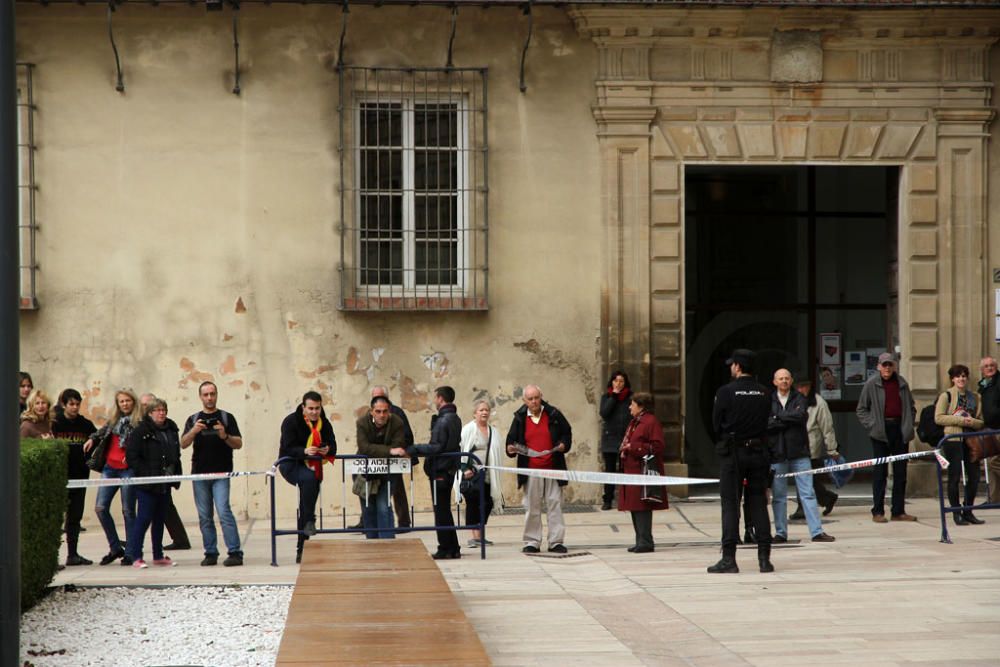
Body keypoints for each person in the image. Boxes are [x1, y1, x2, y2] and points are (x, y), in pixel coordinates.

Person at [709, 349, 774, 574]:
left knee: (730, 504)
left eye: (732, 365)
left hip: (734, 453)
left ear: (737, 366)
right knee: (758, 503)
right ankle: (764, 559)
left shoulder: (726, 392)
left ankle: (729, 558)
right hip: (758, 452)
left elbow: (716, 424)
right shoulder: (765, 392)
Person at [767, 369, 835, 544]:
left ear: (791, 381)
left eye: (787, 378)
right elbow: (767, 422)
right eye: (780, 379)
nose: (784, 381)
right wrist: (782, 419)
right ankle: (781, 533)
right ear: (774, 382)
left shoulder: (799, 398)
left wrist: (778, 417)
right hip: (777, 453)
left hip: (800, 452)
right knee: (779, 496)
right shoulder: (769, 399)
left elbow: (800, 416)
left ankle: (817, 532)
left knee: (808, 493)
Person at [181, 381, 245, 566]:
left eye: (212, 394)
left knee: (224, 511)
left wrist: (224, 435)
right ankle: (210, 552)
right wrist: (194, 430)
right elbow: (183, 444)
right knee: (204, 516)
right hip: (200, 475)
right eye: (206, 394)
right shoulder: (193, 419)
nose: (209, 398)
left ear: (217, 395)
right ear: (200, 397)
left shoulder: (226, 417)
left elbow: (238, 444)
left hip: (222, 473)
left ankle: (235, 552)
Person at [505, 384, 573, 554]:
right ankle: (532, 541)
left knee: (554, 504)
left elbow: (567, 432)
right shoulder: (520, 417)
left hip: (553, 467)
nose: (534, 401)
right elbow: (511, 439)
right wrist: (510, 449)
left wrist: (564, 444)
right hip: (531, 470)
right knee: (531, 507)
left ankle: (556, 541)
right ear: (524, 400)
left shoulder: (553, 414)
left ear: (541, 396)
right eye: (530, 399)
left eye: (536, 397)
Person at [856, 352, 917, 523]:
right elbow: (861, 409)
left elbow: (911, 407)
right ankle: (878, 511)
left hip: (900, 430)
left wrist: (908, 423)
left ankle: (898, 511)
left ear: (894, 366)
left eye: (890, 365)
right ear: (878, 366)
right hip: (880, 431)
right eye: (884, 365)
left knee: (900, 473)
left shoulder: (902, 383)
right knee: (880, 473)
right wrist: (872, 424)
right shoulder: (871, 384)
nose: (887, 368)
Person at [279, 390, 337, 564]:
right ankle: (309, 521)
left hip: (314, 467)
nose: (314, 412)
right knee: (309, 482)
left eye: (317, 409)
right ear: (303, 407)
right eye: (310, 408)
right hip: (291, 464)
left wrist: (327, 449)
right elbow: (287, 447)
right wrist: (304, 451)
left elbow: (333, 444)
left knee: (307, 498)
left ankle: (303, 544)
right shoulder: (290, 421)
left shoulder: (324, 423)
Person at [86, 388, 142, 566]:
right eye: (121, 401)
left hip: (128, 470)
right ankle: (115, 547)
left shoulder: (140, 422)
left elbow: (144, 445)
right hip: (110, 468)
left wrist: (133, 456)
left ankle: (132, 552)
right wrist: (91, 440)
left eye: (128, 401)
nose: (125, 404)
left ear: (133, 402)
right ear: (118, 404)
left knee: (128, 511)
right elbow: (100, 433)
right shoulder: (113, 420)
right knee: (101, 508)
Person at [406, 386, 462, 559]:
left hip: (440, 468)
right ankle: (453, 547)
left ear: (440, 398)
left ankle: (445, 547)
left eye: (435, 398)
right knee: (445, 509)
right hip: (448, 468)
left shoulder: (443, 420)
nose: (434, 401)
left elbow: (436, 446)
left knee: (441, 510)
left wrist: (413, 449)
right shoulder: (455, 418)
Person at [125, 398, 182, 568]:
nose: (161, 413)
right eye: (157, 410)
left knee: (160, 518)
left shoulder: (171, 429)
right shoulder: (140, 431)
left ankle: (158, 555)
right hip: (147, 484)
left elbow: (175, 452)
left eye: (163, 409)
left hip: (164, 482)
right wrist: (146, 473)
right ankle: (136, 556)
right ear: (150, 413)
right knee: (143, 519)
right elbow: (132, 457)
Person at [617, 392, 668, 553]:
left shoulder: (650, 422)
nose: (629, 407)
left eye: (632, 404)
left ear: (641, 406)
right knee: (634, 506)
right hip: (632, 470)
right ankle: (640, 540)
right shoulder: (636, 422)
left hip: (642, 470)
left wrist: (633, 448)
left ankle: (646, 541)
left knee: (642, 507)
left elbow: (658, 446)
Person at [140, 392, 191, 552]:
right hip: (146, 473)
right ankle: (179, 539)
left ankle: (136, 543)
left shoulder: (167, 426)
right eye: (144, 405)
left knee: (157, 507)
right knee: (158, 507)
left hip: (162, 473)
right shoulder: (140, 425)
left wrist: (170, 469)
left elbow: (172, 450)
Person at [935, 364, 985, 525]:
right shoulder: (946, 396)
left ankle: (968, 510)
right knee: (954, 476)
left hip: (971, 440)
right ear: (952, 379)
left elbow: (981, 421)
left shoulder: (975, 397)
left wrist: (972, 422)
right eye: (958, 376)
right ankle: (956, 512)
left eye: (964, 376)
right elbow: (939, 418)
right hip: (953, 440)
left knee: (975, 476)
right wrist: (961, 420)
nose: (961, 379)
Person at [52, 389, 97, 566]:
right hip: (60, 477)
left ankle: (73, 554)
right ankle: (52, 558)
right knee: (55, 518)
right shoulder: (55, 423)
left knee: (74, 517)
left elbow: (98, 437)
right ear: (64, 404)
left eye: (77, 404)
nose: (75, 407)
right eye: (71, 404)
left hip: (80, 475)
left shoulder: (85, 424)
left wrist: (93, 439)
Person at [355, 395, 408, 539]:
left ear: (389, 411)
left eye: (385, 411)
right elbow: (364, 447)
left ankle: (387, 541)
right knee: (368, 507)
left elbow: (398, 444)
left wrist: (379, 450)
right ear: (371, 411)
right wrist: (389, 451)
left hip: (388, 472)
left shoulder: (397, 422)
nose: (382, 415)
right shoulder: (362, 423)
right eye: (378, 411)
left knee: (383, 505)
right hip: (365, 471)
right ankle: (372, 540)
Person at [457, 399, 505, 547]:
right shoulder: (468, 430)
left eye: (486, 410)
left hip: (488, 474)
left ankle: (480, 534)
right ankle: (475, 537)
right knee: (473, 503)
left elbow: (497, 452)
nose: (484, 412)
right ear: (474, 413)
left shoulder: (493, 432)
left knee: (487, 502)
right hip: (471, 475)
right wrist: (463, 470)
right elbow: (460, 450)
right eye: (481, 410)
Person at [789, 379, 839, 519]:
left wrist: (831, 449)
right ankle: (827, 498)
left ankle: (802, 507)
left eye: (804, 386)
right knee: (809, 479)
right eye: (798, 386)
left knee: (804, 477)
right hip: (795, 444)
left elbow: (827, 427)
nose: (800, 389)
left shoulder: (819, 403)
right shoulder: (792, 400)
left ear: (810, 387)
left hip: (811, 447)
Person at [372, 386, 415, 529]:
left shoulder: (397, 412)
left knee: (397, 489)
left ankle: (404, 522)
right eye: (374, 397)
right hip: (378, 458)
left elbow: (406, 435)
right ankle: (367, 521)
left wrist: (395, 449)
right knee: (371, 487)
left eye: (380, 397)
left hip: (394, 458)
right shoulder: (371, 413)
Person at [599, 370, 631, 511]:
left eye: (621, 381)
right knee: (610, 471)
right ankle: (607, 500)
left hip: (625, 438)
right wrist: (614, 397)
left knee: (626, 470)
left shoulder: (631, 398)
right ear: (612, 382)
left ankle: (626, 500)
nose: (618, 383)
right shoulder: (606, 397)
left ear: (625, 383)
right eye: (616, 381)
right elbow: (604, 413)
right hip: (610, 438)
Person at [978, 357, 1000, 505]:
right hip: (988, 429)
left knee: (994, 462)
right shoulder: (983, 385)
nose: (989, 368)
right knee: (990, 467)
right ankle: (994, 499)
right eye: (986, 366)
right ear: (982, 370)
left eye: (992, 365)